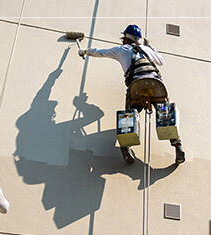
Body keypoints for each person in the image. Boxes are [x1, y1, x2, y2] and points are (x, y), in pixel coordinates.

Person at [79, 24, 185, 164]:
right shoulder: (146, 49)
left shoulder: (121, 50)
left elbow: (101, 52)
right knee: (165, 114)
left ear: (125, 39)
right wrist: (151, 46)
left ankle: (125, 148)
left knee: (129, 115)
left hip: (136, 85)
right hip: (156, 84)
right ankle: (178, 145)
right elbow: (161, 61)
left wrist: (85, 51)